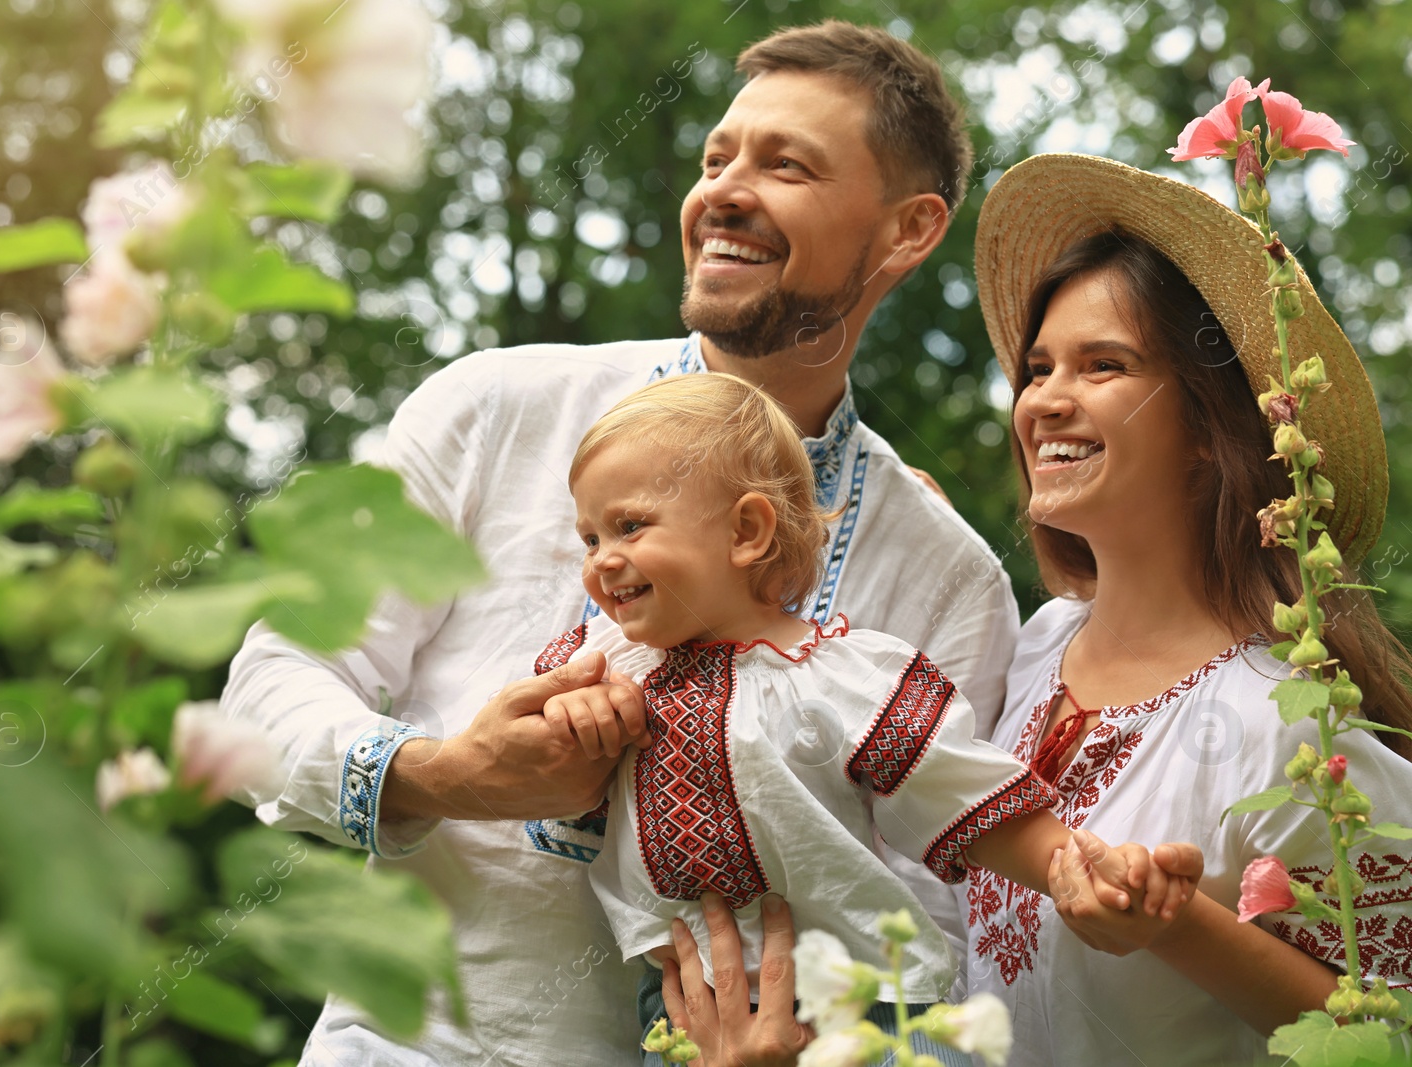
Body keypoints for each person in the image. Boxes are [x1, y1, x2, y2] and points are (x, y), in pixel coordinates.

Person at [220, 20, 1023, 1067]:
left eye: (788, 166)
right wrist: (448, 771)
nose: (724, 193)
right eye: (716, 158)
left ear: (909, 231)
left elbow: (929, 920)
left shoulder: (946, 579)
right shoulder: (490, 410)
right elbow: (272, 682)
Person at [539, 373, 1187, 1065]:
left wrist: (1077, 867)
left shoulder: (841, 676)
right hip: (682, 1018)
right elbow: (534, 763)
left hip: (868, 1007)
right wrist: (566, 713)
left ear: (746, 530)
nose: (602, 559)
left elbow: (961, 796)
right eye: (588, 537)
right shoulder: (604, 665)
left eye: (629, 525)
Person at [962, 153, 1412, 1065]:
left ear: (1209, 427)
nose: (1046, 400)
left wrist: (1174, 926)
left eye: (1103, 365)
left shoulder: (1290, 723)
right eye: (1038, 368)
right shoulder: (1036, 646)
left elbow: (1386, 1031)